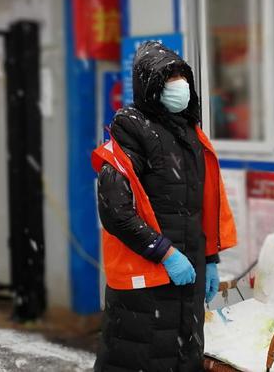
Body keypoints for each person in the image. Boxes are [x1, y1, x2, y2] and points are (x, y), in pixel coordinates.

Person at [92, 41, 237, 372]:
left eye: (180, 75)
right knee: (138, 358)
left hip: (189, 281)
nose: (179, 85)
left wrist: (210, 258)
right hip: (148, 282)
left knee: (184, 359)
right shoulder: (131, 130)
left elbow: (200, 204)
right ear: (150, 86)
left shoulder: (189, 133)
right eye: (167, 77)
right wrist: (164, 252)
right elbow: (114, 208)